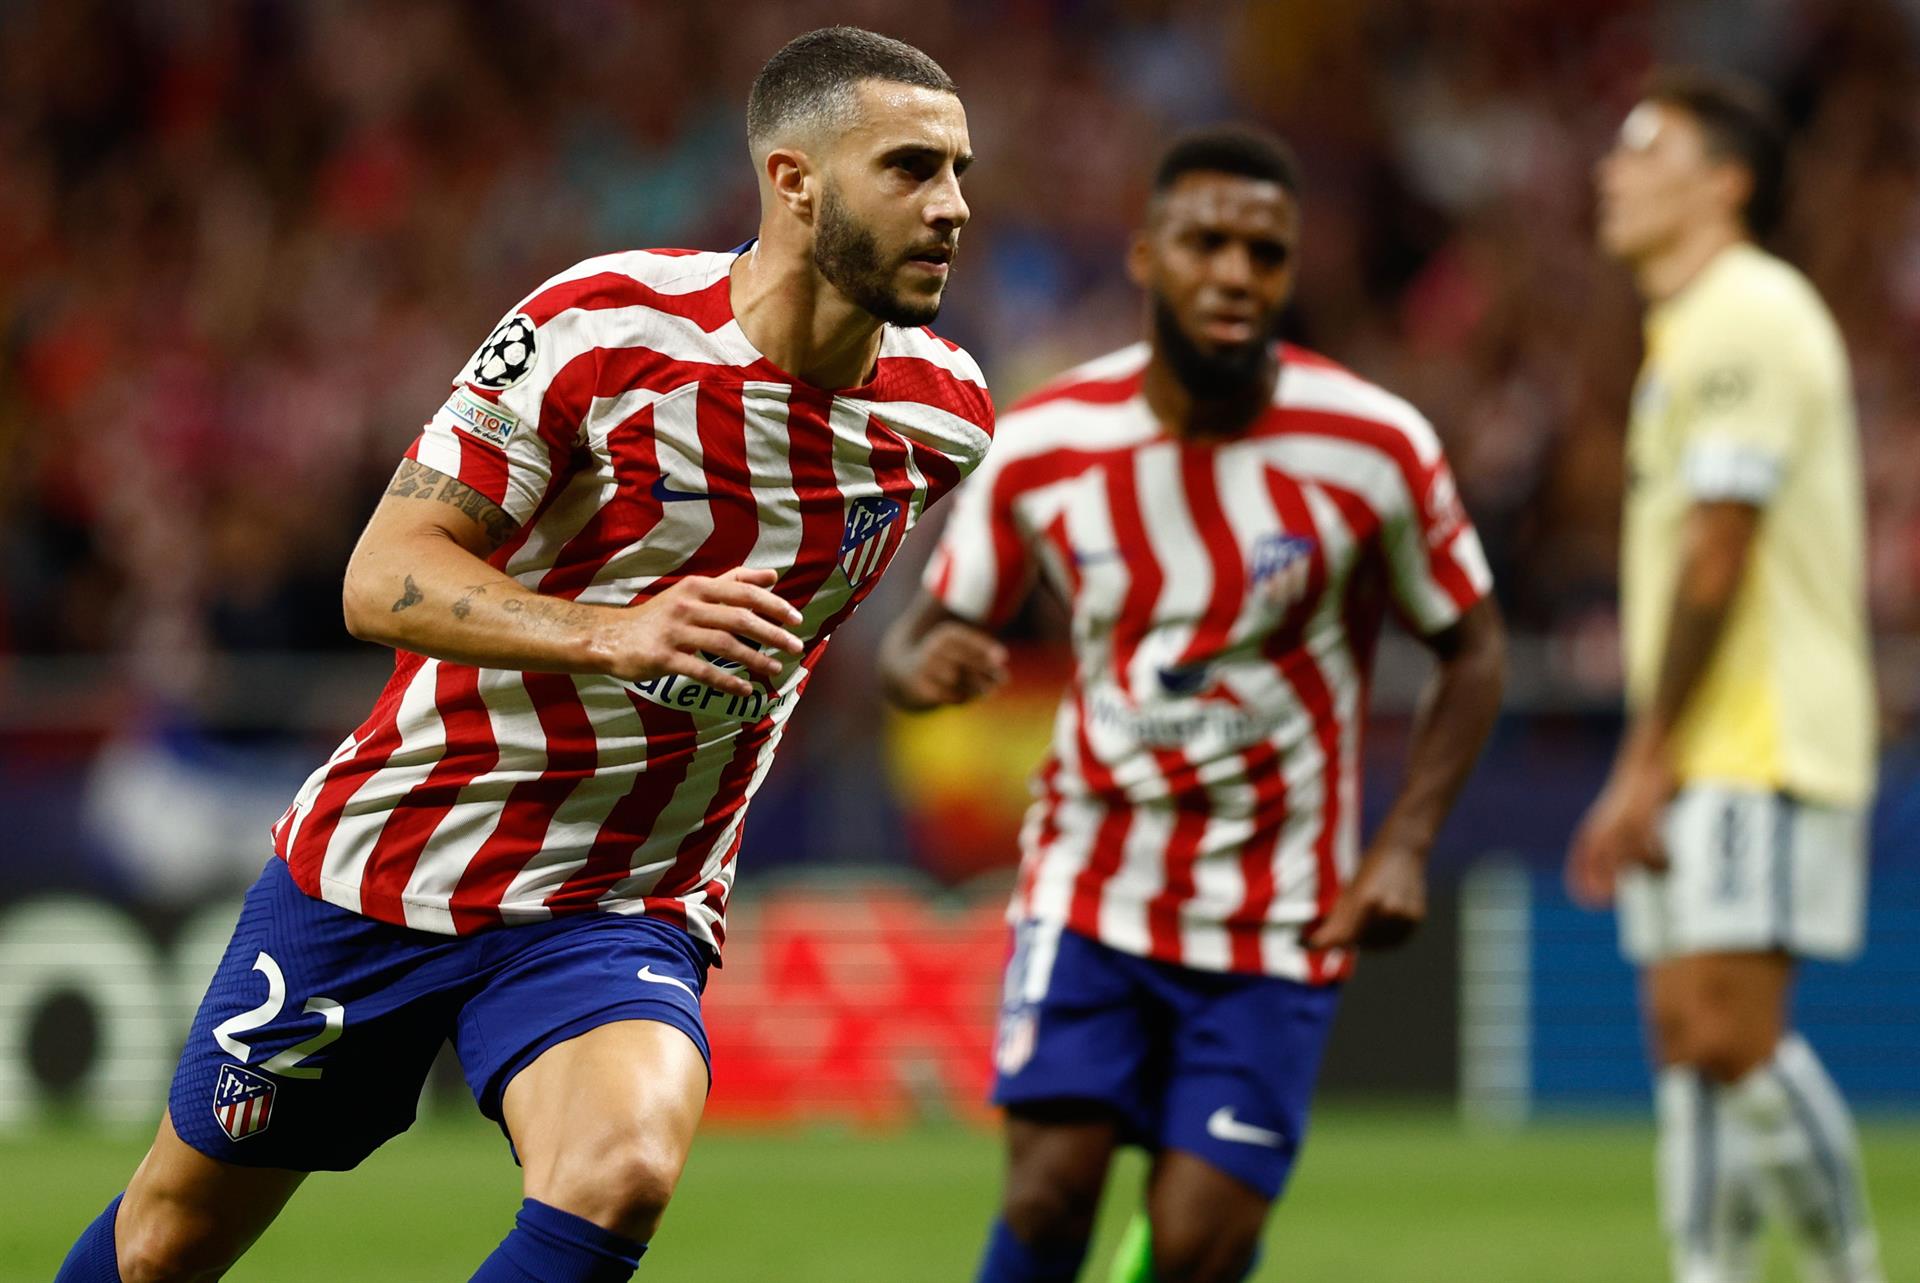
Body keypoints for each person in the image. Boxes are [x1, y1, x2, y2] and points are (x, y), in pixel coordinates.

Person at [55, 26, 989, 1283]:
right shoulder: (598, 328)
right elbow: (381, 573)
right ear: (794, 180)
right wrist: (613, 630)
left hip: (620, 896)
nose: (953, 208)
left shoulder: (944, 418)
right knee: (167, 1238)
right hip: (395, 858)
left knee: (622, 1170)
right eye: (913, 168)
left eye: (961, 171)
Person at [879, 126, 1505, 1283]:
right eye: (1205, 242)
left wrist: (1406, 843)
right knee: (1051, 1190)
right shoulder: (1048, 441)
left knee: (1201, 1242)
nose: (1233, 272)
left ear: (1290, 270)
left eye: (1263, 252)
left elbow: (1472, 645)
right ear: (1145, 256)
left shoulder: (1374, 446)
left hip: (1278, 910)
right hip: (1091, 879)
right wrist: (921, 668)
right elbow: (923, 632)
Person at [1567, 69, 1884, 1283]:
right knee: (1683, 1039)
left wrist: (1644, 757)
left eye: (1647, 148)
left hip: (1760, 729)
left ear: (1725, 183)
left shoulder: (1748, 312)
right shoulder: (1689, 328)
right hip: (1707, 733)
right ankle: (1713, 1270)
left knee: (1726, 1030)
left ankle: (1850, 1265)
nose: (1613, 169)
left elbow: (1718, 554)